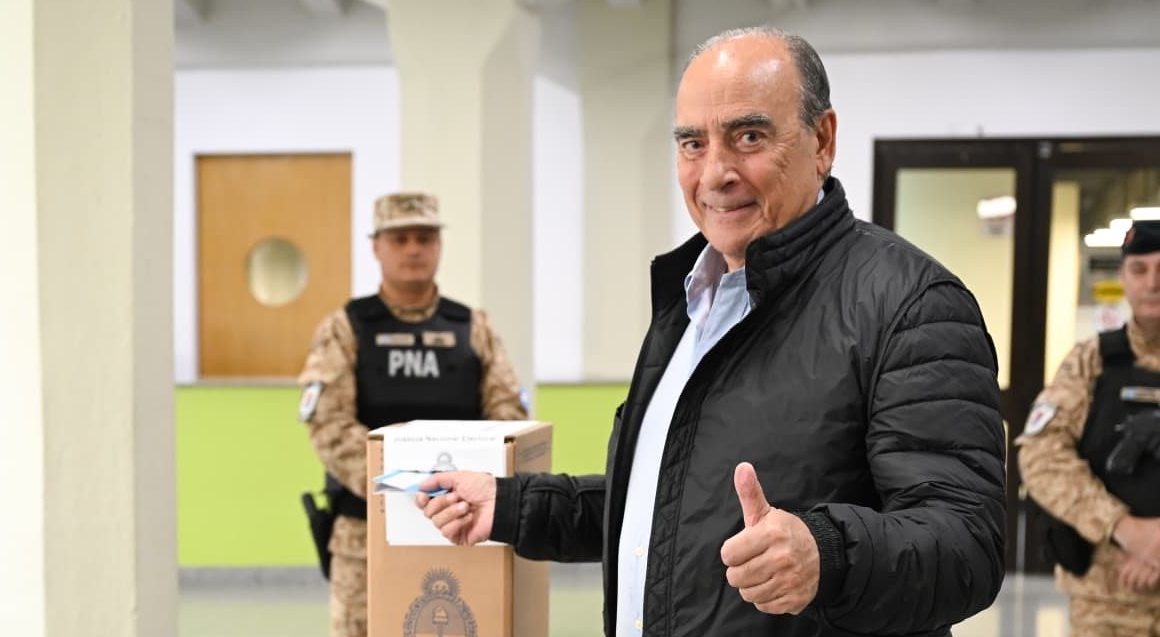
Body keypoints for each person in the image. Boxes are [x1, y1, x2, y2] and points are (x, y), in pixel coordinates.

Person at [416, 27, 1006, 636]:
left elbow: (967, 544)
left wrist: (828, 556)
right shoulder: (690, 302)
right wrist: (511, 505)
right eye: (693, 144)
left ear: (823, 140)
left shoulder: (910, 304)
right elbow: (666, 509)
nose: (716, 173)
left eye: (749, 137)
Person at [297, 192, 528, 637]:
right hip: (367, 533)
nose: (413, 249)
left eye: (424, 237)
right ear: (376, 246)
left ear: (439, 245)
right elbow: (328, 424)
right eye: (399, 239)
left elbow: (507, 417)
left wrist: (460, 491)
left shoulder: (473, 327)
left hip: (461, 526)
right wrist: (405, 486)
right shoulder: (344, 328)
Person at [1018, 220, 1160, 637]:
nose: (1153, 283)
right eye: (1139, 269)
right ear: (1123, 277)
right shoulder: (1090, 362)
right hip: (1107, 602)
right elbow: (1040, 455)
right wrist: (1126, 530)